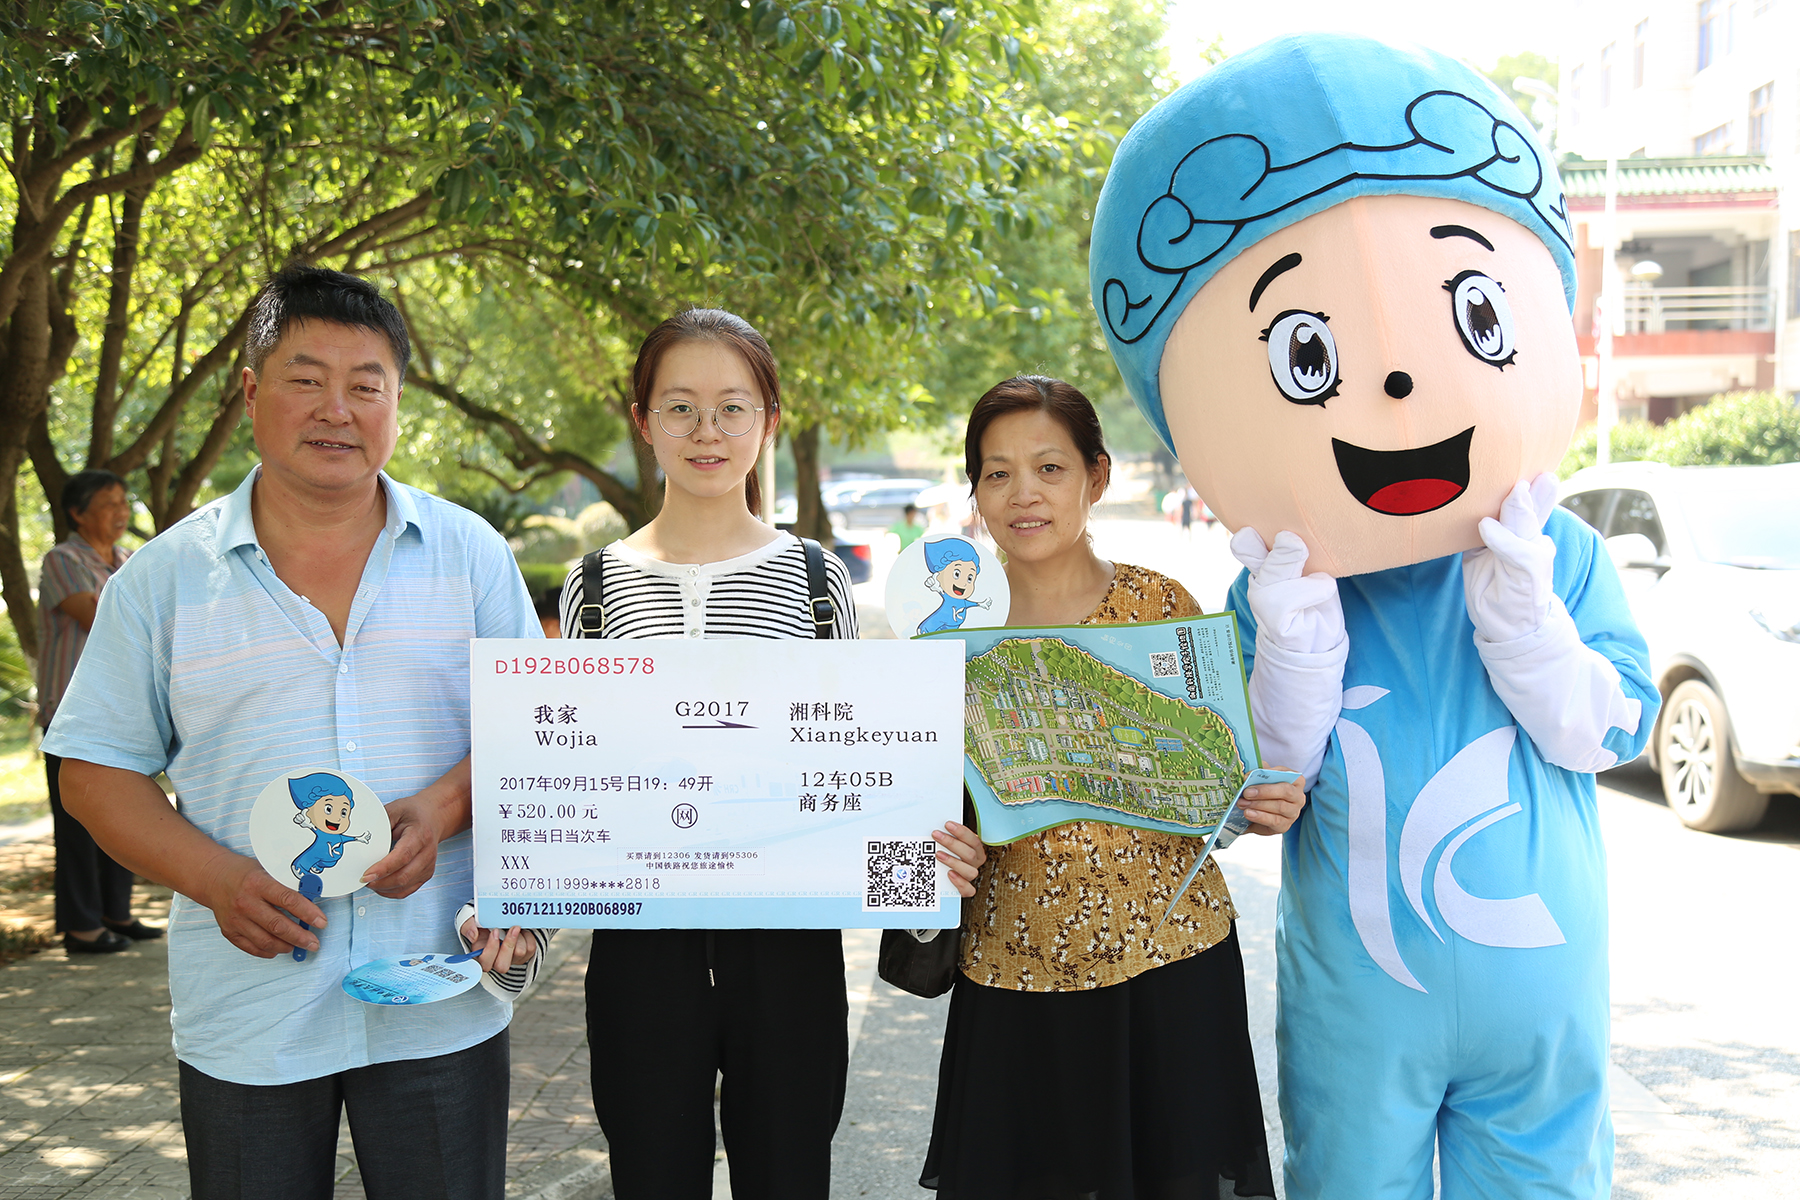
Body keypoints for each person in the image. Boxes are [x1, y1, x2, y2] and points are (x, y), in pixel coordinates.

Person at [1087, 35, 1658, 1198]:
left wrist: (1531, 625)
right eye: (1309, 355)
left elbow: (1611, 731)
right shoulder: (1274, 592)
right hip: (1357, 1002)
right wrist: (1291, 647)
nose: (1395, 384)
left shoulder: (1558, 556)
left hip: (1540, 998)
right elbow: (1248, 785)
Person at [44, 265, 545, 1200]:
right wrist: (218, 879)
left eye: (366, 385)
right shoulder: (162, 580)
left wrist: (443, 809)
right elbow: (95, 772)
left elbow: (539, 730)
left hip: (437, 995)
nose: (336, 410)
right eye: (306, 380)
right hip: (250, 1012)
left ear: (397, 402)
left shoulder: (470, 553)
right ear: (250, 393)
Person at [557, 308, 987, 1200]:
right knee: (650, 1175)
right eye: (680, 407)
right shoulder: (593, 584)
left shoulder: (815, 578)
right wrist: (517, 901)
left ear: (770, 421)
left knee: (789, 1173)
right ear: (643, 421)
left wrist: (922, 880)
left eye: (732, 408)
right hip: (640, 946)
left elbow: (853, 761)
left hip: (788, 945)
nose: (706, 432)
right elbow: (571, 772)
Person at [921, 375, 1306, 1199]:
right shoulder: (946, 638)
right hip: (1013, 969)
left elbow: (1212, 790)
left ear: (1095, 477)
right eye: (997, 473)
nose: (1023, 493)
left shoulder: (1160, 608)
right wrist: (934, 855)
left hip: (1170, 961)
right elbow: (910, 817)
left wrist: (1253, 805)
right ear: (976, 493)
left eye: (1049, 468)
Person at [36, 469, 157, 953]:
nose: (121, 511)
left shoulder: (129, 560)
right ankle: (81, 926)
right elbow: (100, 617)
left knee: (124, 814)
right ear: (78, 512)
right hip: (72, 716)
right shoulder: (63, 560)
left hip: (125, 712)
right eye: (108, 503)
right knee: (76, 823)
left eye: (123, 501)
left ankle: (116, 913)